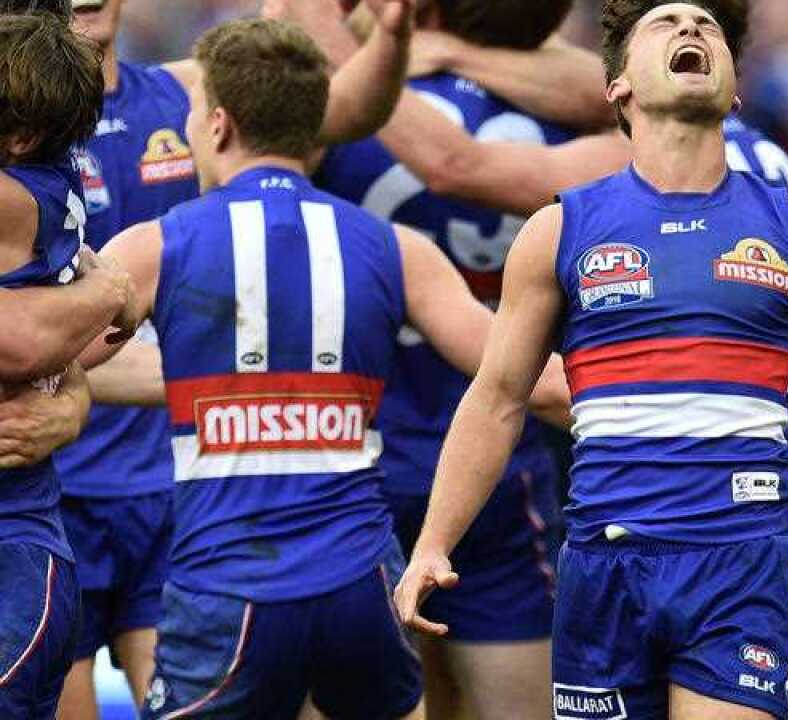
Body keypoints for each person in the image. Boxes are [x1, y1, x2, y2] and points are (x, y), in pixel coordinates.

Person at [394, 3, 788, 720]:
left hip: (745, 562)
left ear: (733, 92)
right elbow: (498, 398)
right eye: (665, 25)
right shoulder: (558, 230)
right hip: (605, 566)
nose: (693, 30)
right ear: (618, 89)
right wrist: (433, 545)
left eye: (708, 26)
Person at [77, 18, 567, 719]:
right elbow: (536, 382)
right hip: (361, 587)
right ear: (315, 132)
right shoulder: (397, 249)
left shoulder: (154, 247)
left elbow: (47, 356)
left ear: (216, 126)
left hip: (228, 584)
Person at [294, 0, 788, 628]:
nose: (684, 32)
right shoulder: (766, 173)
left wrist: (404, 50)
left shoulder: (620, 171)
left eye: (693, 24)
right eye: (664, 24)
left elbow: (457, 167)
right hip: (732, 468)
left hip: (679, 479)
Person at [48, 1, 414, 714]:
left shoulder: (186, 89)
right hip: (60, 489)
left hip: (184, 494)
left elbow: (344, 109)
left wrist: (396, 37)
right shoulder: (19, 119)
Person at [311, 2, 577, 718]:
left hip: (350, 461)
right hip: (502, 462)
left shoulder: (343, 101)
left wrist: (410, 47)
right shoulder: (581, 108)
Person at [0, 11, 143, 719]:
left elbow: (21, 343)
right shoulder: (51, 181)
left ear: (20, 134)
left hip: (14, 536)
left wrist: (111, 289)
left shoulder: (12, 194)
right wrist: (110, 286)